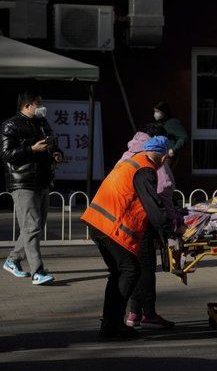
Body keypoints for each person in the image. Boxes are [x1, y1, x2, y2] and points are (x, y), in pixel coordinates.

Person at [81, 136, 172, 339]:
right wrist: (170, 229)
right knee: (131, 270)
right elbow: (153, 204)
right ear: (164, 157)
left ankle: (110, 322)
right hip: (110, 225)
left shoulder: (132, 162)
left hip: (98, 221)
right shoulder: (145, 169)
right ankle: (113, 324)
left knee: (118, 272)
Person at [0, 90, 63, 285]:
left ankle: (12, 260)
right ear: (27, 106)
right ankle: (38, 271)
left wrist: (57, 153)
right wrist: (31, 149)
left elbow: (53, 145)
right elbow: (7, 154)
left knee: (35, 226)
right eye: (38, 103)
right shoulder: (10, 125)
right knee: (32, 226)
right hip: (23, 182)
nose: (42, 106)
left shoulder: (43, 123)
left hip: (43, 180)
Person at [118, 123, 177, 329]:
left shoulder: (128, 155)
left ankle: (134, 313)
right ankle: (147, 313)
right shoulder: (150, 160)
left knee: (133, 269)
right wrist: (172, 224)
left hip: (123, 223)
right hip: (141, 221)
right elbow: (163, 194)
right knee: (145, 268)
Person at [153, 101, 188, 168]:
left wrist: (173, 149)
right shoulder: (160, 123)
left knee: (165, 176)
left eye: (157, 111)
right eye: (154, 111)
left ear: (164, 112)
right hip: (158, 155)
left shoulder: (173, 123)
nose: (155, 114)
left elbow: (184, 137)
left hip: (167, 157)